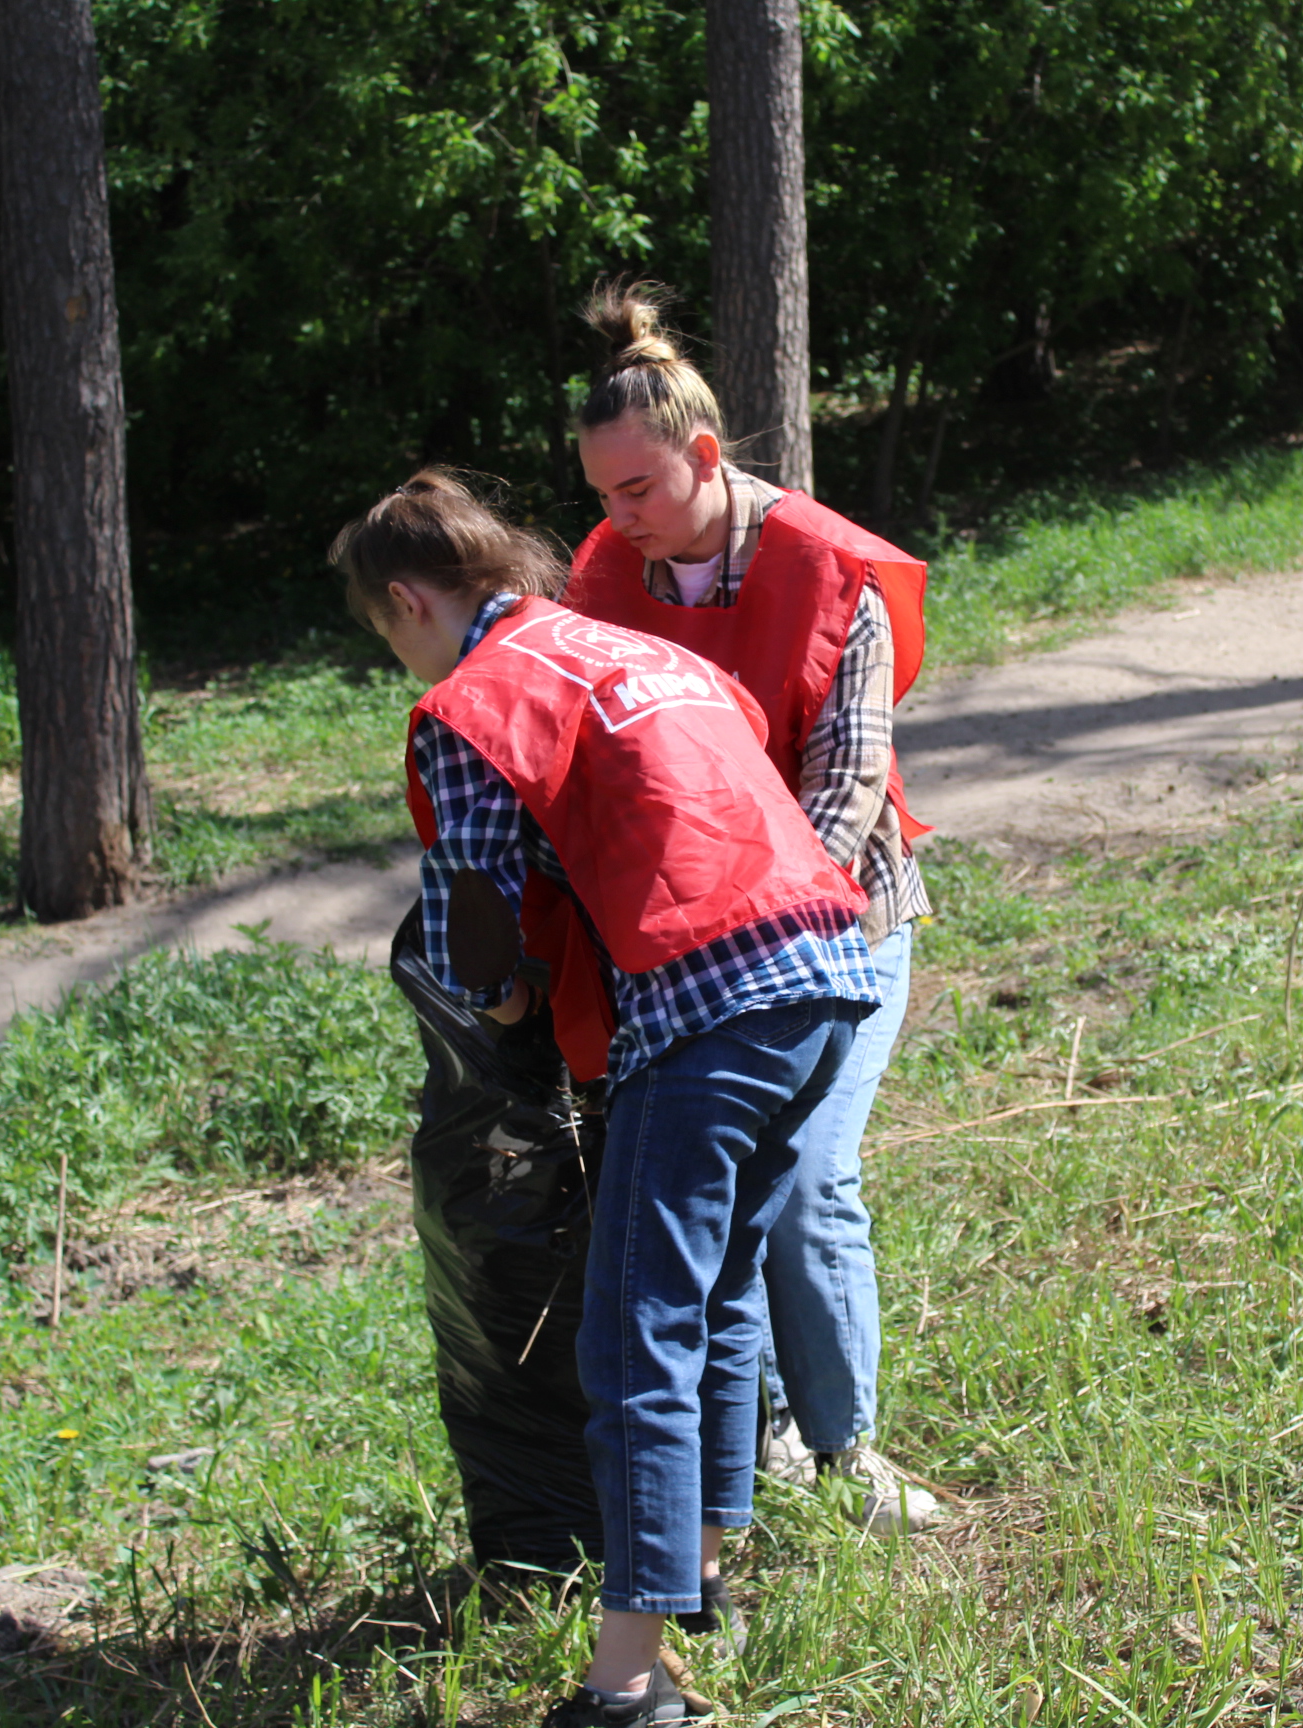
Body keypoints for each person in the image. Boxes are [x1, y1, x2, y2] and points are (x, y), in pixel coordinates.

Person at [335, 470, 881, 1728]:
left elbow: (475, 933)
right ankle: (703, 1577)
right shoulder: (638, 652)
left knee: (637, 1336)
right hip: (829, 976)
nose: (399, 656)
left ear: (409, 601)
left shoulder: (473, 700)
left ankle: (627, 1684)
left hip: (710, 1006)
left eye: (385, 632)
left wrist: (510, 1017)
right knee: (721, 1294)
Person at [566, 283, 941, 1535]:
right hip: (685, 950)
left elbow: (846, 786)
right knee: (717, 1191)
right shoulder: (605, 575)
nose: (616, 518)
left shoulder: (833, 573)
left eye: (637, 489)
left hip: (838, 926)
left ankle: (849, 1452)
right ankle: (761, 1432)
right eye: (601, 495)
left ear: (706, 455)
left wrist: (755, 934)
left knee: (809, 1181)